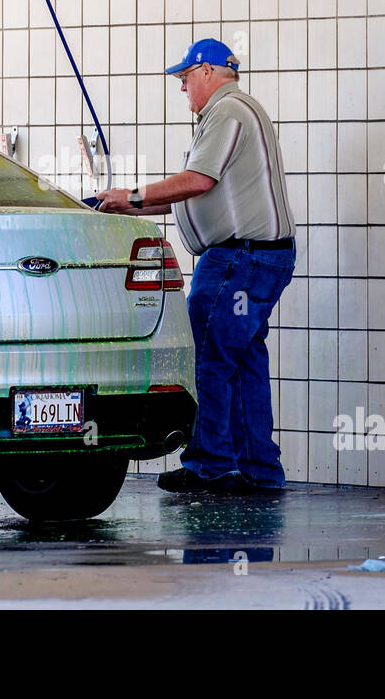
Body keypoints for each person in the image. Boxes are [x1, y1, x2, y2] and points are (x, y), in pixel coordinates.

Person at [96, 38, 297, 494]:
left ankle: (209, 464)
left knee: (208, 356)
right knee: (242, 359)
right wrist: (132, 208)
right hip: (262, 257)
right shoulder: (244, 111)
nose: (183, 88)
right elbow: (204, 196)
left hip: (238, 260)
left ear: (207, 71)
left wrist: (133, 194)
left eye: (185, 78)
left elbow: (197, 180)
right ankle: (260, 472)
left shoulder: (227, 112)